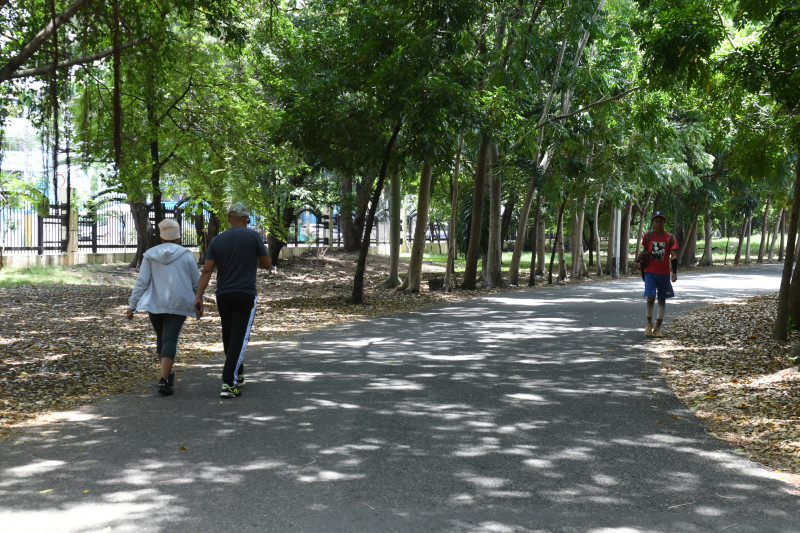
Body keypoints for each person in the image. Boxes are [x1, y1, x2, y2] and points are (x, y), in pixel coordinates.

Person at [194, 202, 271, 398]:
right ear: (246, 218)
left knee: (229, 335)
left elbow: (207, 270)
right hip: (245, 294)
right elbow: (266, 264)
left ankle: (239, 371)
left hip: (223, 294)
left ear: (229, 219)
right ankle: (229, 382)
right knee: (239, 337)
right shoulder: (254, 236)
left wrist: (198, 297)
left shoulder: (217, 241)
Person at [126, 219, 199, 396]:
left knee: (161, 339)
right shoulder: (187, 255)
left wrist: (132, 305)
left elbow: (142, 283)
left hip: (155, 303)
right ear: (178, 236)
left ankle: (166, 374)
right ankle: (164, 379)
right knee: (170, 339)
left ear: (161, 236)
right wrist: (198, 301)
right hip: (179, 303)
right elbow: (196, 282)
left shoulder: (150, 255)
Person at [640, 211, 678, 338]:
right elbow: (644, 253)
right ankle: (649, 324)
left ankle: (658, 328)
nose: (658, 223)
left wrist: (674, 272)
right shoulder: (648, 236)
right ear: (653, 223)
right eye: (656, 221)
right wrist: (639, 264)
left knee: (662, 299)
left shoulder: (670, 238)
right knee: (650, 297)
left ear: (664, 222)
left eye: (661, 221)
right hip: (650, 272)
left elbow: (673, 255)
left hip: (664, 273)